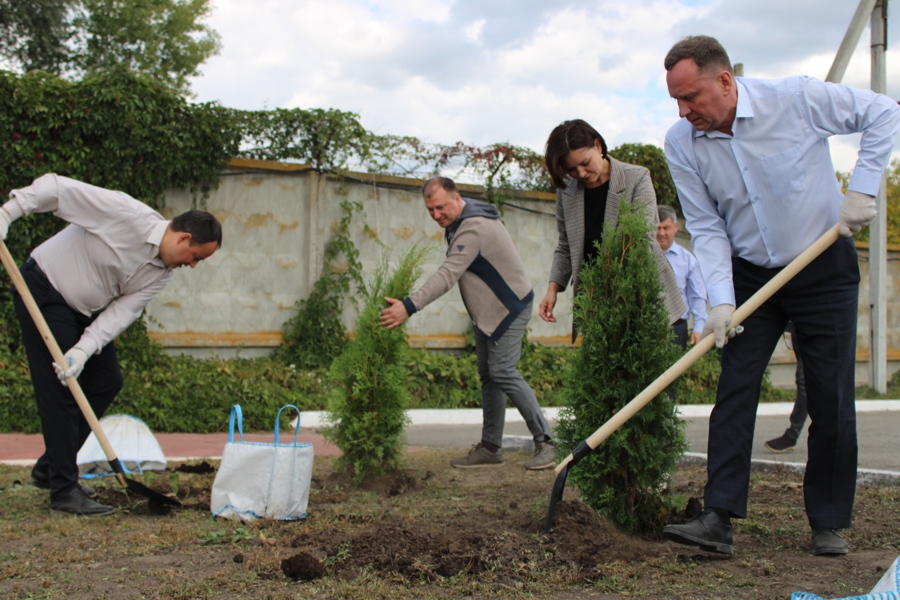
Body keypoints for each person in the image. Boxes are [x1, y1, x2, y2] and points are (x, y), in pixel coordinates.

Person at [660, 35, 900, 557]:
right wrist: (720, 300)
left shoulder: (795, 99)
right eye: (676, 100)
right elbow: (706, 226)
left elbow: (884, 111)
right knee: (735, 389)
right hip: (751, 276)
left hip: (822, 264)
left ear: (725, 81)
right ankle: (717, 518)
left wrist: (862, 187)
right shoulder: (681, 143)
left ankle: (829, 521)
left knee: (832, 396)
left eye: (692, 96)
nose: (684, 111)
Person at [0, 174, 222, 516]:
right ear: (184, 237)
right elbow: (57, 189)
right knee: (60, 390)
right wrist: (9, 213)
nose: (192, 266)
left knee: (106, 380)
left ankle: (50, 468)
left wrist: (82, 350)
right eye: (196, 257)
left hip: (86, 310)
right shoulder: (126, 214)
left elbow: (121, 313)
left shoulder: (162, 274)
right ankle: (63, 490)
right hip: (45, 288)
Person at [379, 177, 556, 470]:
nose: (436, 215)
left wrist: (409, 307)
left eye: (440, 207)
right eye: (430, 210)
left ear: (456, 198)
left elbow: (448, 274)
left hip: (508, 308)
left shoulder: (473, 226)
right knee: (489, 376)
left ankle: (546, 442)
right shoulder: (458, 224)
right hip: (486, 312)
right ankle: (490, 448)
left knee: (503, 371)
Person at [538, 119, 685, 335]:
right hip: (595, 303)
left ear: (598, 146)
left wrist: (613, 290)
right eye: (571, 169)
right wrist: (553, 288)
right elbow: (565, 245)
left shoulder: (636, 178)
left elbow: (640, 237)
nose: (581, 173)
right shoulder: (567, 191)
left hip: (642, 295)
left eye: (585, 163)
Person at [656, 204, 707, 349]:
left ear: (675, 227)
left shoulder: (688, 260)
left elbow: (697, 295)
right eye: (657, 228)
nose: (661, 233)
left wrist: (699, 326)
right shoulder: (642, 256)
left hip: (677, 329)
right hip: (648, 328)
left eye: (666, 228)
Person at [765, 322, 808, 452]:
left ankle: (792, 435)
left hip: (816, 322)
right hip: (797, 325)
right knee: (807, 382)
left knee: (805, 380)